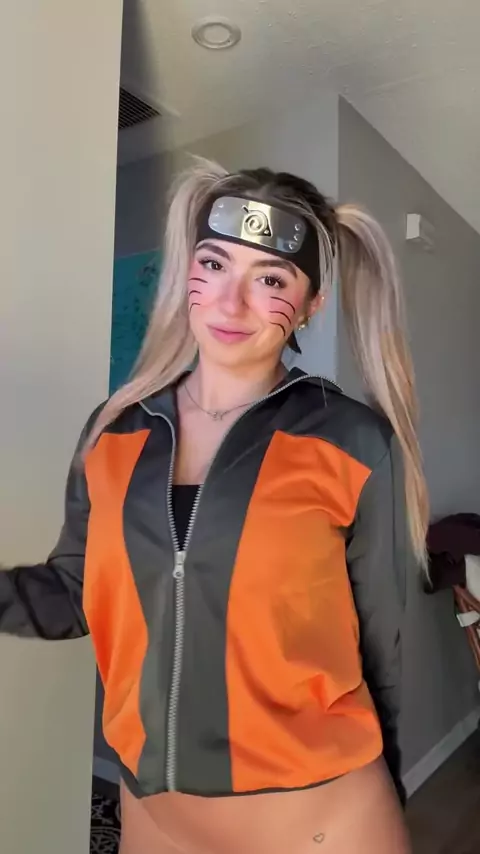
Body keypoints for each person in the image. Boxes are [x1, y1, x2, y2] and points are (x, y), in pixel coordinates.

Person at [0, 158, 429, 854]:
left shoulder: (350, 441)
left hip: (322, 823)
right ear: (187, 273)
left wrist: (393, 778)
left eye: (271, 280)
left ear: (312, 304)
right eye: (214, 264)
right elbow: (77, 592)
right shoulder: (113, 434)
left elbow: (379, 646)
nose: (231, 304)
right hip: (157, 822)